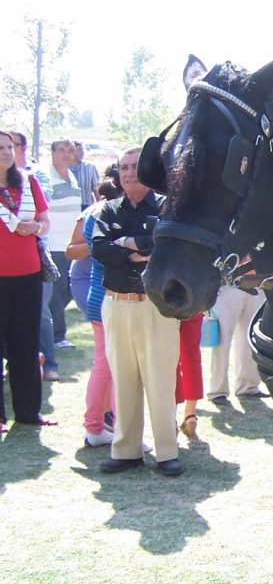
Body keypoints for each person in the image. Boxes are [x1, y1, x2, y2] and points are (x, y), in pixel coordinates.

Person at [92, 148, 182, 476]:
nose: (128, 173)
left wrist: (123, 242)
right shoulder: (108, 210)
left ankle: (166, 452)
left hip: (155, 306)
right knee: (123, 379)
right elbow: (98, 248)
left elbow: (163, 244)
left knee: (160, 380)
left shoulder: (166, 206)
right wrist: (136, 248)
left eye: (134, 166)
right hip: (116, 304)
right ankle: (126, 450)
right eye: (123, 167)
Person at [0, 130, 55, 431]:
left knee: (26, 344)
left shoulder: (29, 182)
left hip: (28, 274)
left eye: (9, 146)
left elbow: (45, 221)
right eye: (0, 147)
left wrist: (35, 226)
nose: (7, 152)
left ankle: (28, 412)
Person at [65, 168, 122, 446]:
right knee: (109, 365)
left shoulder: (98, 214)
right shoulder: (97, 214)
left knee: (108, 365)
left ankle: (102, 423)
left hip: (102, 294)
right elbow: (73, 250)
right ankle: (101, 425)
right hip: (104, 295)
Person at [46, 138, 81, 351]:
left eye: (70, 150)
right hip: (54, 245)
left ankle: (51, 329)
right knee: (57, 292)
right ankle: (57, 337)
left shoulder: (72, 177)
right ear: (53, 153)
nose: (66, 154)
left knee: (70, 289)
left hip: (72, 245)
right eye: (61, 150)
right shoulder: (46, 177)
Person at [207, 285, 268, 407]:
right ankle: (217, 390)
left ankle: (248, 386)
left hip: (257, 285)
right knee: (222, 340)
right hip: (228, 286)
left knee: (251, 337)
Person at [176, 313, 204, 439]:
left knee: (169, 360)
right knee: (192, 356)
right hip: (193, 306)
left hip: (167, 307)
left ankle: (171, 419)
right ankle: (190, 414)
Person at [71, 140, 100, 210]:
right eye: (79, 150)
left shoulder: (90, 167)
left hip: (86, 206)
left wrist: (100, 206)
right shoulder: (65, 168)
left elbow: (96, 188)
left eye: (82, 149)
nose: (82, 152)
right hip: (70, 206)